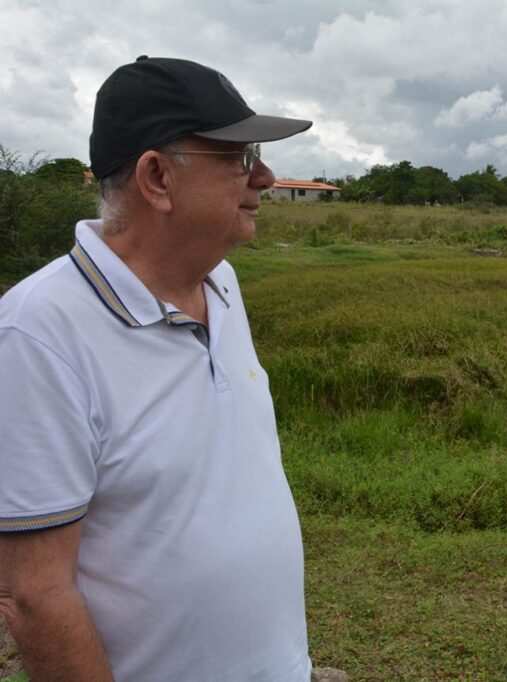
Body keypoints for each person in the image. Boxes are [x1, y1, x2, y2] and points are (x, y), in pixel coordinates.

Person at [0, 56, 314, 681]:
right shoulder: (37, 333)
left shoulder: (220, 283)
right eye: (239, 157)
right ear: (157, 178)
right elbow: (35, 594)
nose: (265, 177)